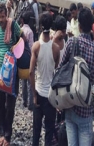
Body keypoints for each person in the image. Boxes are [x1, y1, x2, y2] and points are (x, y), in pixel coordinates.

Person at [59, 7, 94, 146]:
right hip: (85, 108)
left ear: (79, 25)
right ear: (91, 26)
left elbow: (60, 70)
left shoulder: (71, 43)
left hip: (70, 104)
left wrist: (59, 100)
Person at [0, 4, 23, 145]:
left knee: (10, 105)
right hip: (0, 71)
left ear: (7, 15)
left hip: (13, 73)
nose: (1, 20)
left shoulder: (14, 25)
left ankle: (8, 134)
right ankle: (1, 130)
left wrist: (16, 46)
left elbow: (22, 40)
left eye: (3, 16)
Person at [30, 12, 60, 146]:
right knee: (49, 130)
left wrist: (34, 94)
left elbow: (31, 72)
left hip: (39, 92)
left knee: (36, 131)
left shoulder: (36, 46)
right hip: (50, 96)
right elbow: (57, 70)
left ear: (41, 26)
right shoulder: (56, 48)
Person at [20, 11, 34, 110]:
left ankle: (24, 100)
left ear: (22, 20)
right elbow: (32, 46)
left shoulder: (20, 30)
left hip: (21, 57)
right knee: (30, 80)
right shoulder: (30, 32)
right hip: (29, 57)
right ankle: (30, 103)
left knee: (23, 80)